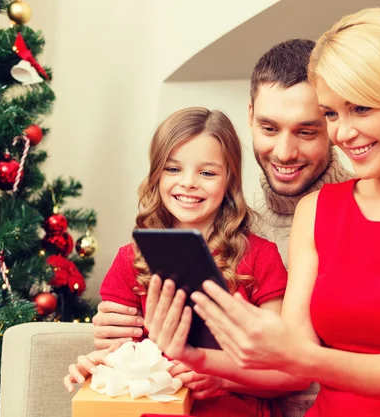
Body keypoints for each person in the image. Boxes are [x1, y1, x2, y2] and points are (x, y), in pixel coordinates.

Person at [91, 37, 380, 416]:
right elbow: (287, 360)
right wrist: (171, 354)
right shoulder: (299, 211)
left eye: (358, 109)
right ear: (250, 115)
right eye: (333, 114)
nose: (344, 133)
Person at [64, 107, 291, 417]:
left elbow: (285, 372)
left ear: (229, 180)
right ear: (156, 173)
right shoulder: (130, 260)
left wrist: (222, 375)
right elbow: (121, 358)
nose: (188, 183)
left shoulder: (259, 256)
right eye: (173, 169)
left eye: (207, 173)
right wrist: (98, 366)